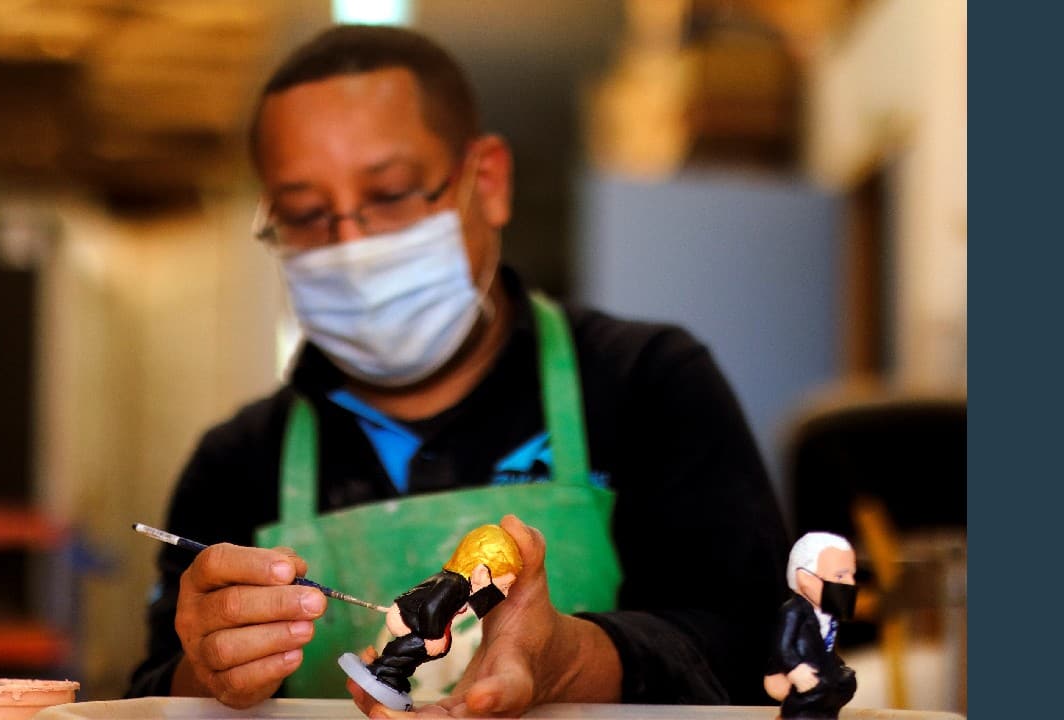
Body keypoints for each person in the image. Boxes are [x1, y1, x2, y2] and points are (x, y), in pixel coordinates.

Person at [126, 24, 790, 715]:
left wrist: (567, 660)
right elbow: (147, 694)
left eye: (389, 195)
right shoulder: (236, 465)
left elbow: (765, 654)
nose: (351, 248)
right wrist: (209, 674)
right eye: (306, 215)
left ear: (488, 181)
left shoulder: (647, 386)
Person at [339, 524, 523, 711]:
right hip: (408, 617)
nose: (505, 594)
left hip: (416, 617)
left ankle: (398, 673)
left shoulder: (459, 584)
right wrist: (433, 636)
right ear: (482, 574)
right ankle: (384, 670)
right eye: (504, 586)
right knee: (420, 645)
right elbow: (430, 607)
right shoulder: (455, 585)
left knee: (430, 650)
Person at [764, 532, 859, 718]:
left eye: (852, 575)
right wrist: (795, 668)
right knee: (816, 691)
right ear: (805, 578)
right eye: (840, 576)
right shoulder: (793, 611)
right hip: (797, 672)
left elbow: (826, 645)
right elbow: (782, 647)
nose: (851, 583)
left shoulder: (828, 613)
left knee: (844, 683)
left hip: (822, 669)